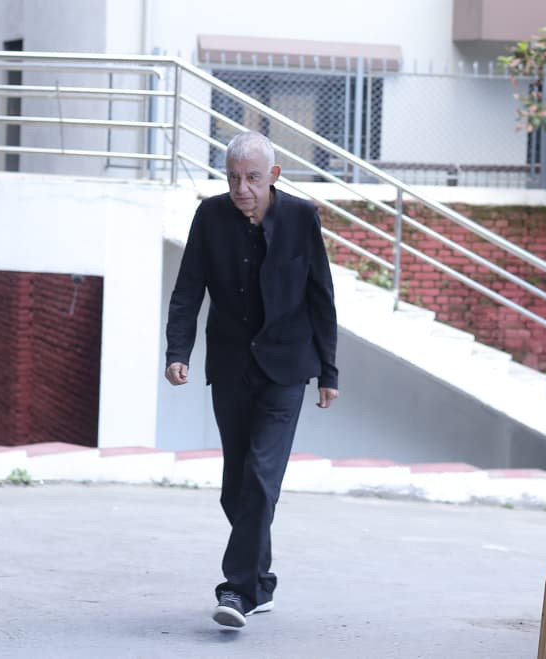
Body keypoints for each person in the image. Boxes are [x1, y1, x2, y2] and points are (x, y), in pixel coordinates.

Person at [164, 131, 339, 628]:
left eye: (253, 178)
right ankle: (260, 582)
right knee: (236, 489)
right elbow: (188, 290)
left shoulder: (302, 218)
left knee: (261, 478)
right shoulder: (210, 216)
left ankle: (237, 590)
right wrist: (178, 351)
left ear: (274, 176)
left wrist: (328, 371)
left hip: (287, 367)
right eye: (233, 178)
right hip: (231, 366)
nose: (242, 188)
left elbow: (320, 295)